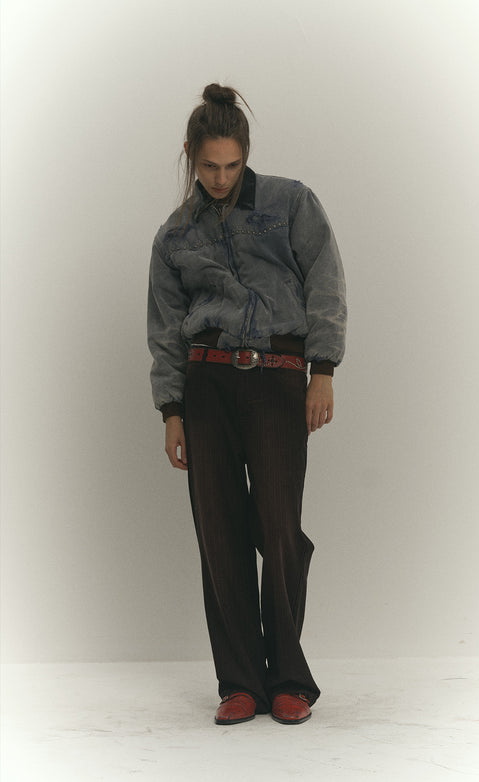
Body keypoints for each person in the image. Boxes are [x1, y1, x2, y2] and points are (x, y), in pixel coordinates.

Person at [147, 83, 346, 725]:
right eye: (209, 166)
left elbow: (325, 283)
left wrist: (323, 371)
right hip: (205, 386)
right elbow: (165, 328)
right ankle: (238, 682)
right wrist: (172, 411)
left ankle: (288, 678)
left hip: (278, 377)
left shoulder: (291, 203)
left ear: (246, 154)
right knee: (219, 531)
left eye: (232, 165)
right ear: (191, 154)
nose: (220, 178)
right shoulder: (174, 235)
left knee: (279, 526)